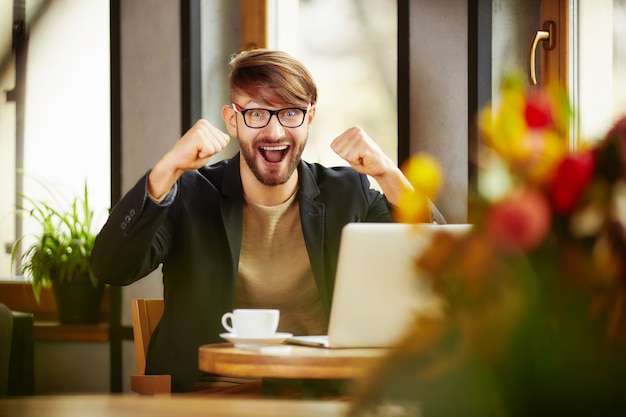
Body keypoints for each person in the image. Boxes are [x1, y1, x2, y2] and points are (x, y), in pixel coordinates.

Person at [91, 48, 445, 393]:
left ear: (309, 118)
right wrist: (165, 170)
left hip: (321, 394)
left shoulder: (346, 193)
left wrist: (388, 174)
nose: (274, 133)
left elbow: (442, 268)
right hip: (211, 396)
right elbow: (111, 267)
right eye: (257, 114)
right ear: (232, 120)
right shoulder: (190, 193)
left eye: (290, 113)